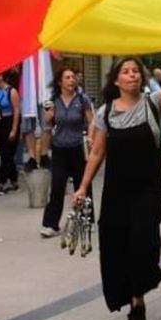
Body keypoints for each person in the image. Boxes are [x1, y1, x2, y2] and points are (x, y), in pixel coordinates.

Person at [73, 43, 161, 320]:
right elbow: (97, 153)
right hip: (117, 192)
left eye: (136, 71)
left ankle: (139, 296)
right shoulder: (106, 113)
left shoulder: (154, 101)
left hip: (149, 189)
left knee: (142, 241)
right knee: (117, 246)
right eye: (126, 72)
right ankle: (135, 303)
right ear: (116, 80)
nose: (132, 75)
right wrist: (82, 187)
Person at [40, 67, 94, 237]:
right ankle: (51, 224)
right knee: (57, 186)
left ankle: (86, 219)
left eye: (73, 77)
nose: (72, 80)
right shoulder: (53, 101)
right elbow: (47, 127)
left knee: (82, 185)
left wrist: (91, 138)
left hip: (78, 147)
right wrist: (43, 151)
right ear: (60, 82)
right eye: (68, 77)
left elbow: (91, 121)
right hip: (59, 148)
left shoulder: (82, 99)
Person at [0, 72, 20, 194]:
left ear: (1, 76)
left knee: (7, 154)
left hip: (9, 122)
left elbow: (17, 110)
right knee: (5, 154)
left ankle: (1, 182)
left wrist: (14, 129)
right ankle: (14, 179)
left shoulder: (11, 91)